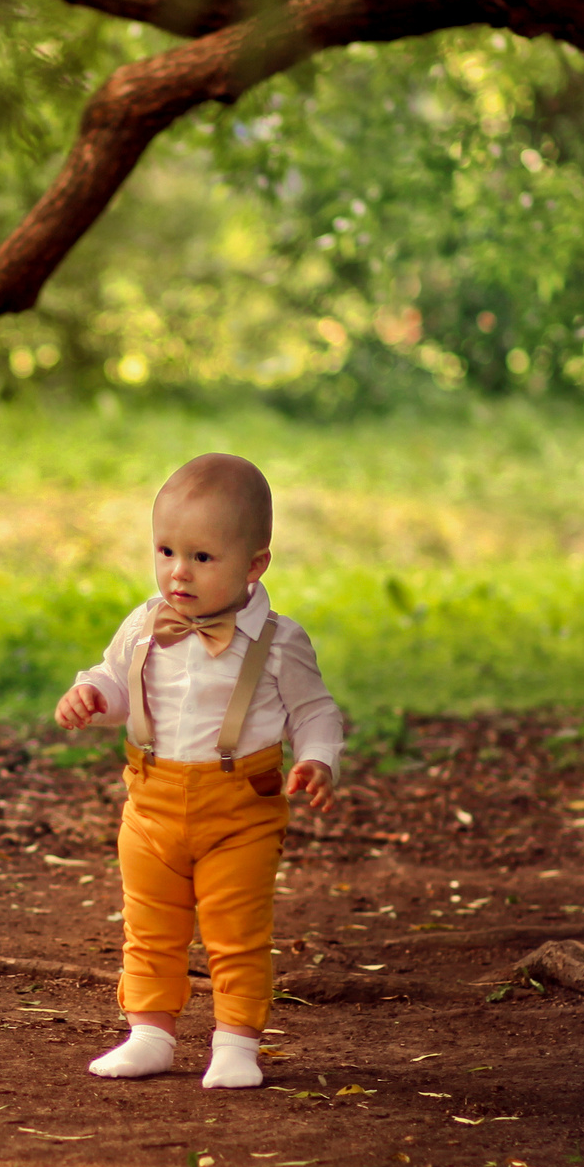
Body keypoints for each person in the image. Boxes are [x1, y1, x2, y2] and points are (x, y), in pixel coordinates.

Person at [53, 452, 345, 1089]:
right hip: (151, 799)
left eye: (202, 558)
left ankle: (237, 1042)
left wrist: (318, 758)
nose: (177, 572)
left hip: (240, 806)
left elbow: (315, 709)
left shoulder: (279, 640)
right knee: (149, 924)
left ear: (254, 565)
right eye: (164, 551)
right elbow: (120, 685)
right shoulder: (143, 624)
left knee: (235, 930)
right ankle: (149, 1034)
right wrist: (93, 697)